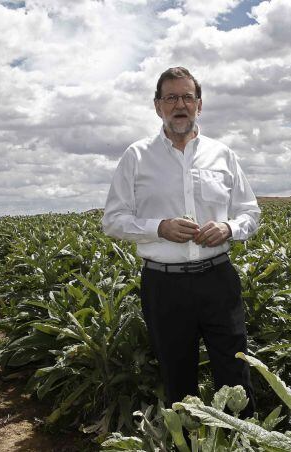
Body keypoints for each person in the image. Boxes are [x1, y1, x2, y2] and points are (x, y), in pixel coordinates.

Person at [102, 67, 260, 415]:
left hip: (218, 279)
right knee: (178, 378)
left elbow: (250, 212)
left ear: (199, 105)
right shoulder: (137, 156)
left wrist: (229, 229)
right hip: (164, 284)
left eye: (187, 97)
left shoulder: (223, 154)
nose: (180, 104)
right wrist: (159, 228)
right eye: (171, 97)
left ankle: (242, 442)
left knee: (235, 374)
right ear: (158, 106)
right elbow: (112, 220)